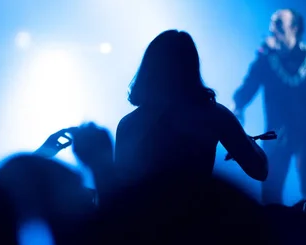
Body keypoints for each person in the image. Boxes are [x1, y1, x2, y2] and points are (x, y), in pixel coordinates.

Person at [115, 30, 268, 187]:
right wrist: (246, 140)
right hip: (195, 211)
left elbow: (118, 191)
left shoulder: (128, 124)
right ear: (191, 68)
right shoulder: (214, 115)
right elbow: (260, 170)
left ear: (148, 68)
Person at [233, 9, 306, 204]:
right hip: (276, 132)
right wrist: (239, 104)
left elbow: (294, 79)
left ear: (295, 28)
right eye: (272, 23)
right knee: (271, 189)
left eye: (279, 23)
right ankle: (272, 232)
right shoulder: (266, 57)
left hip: (305, 131)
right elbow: (251, 83)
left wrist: (272, 55)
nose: (273, 28)